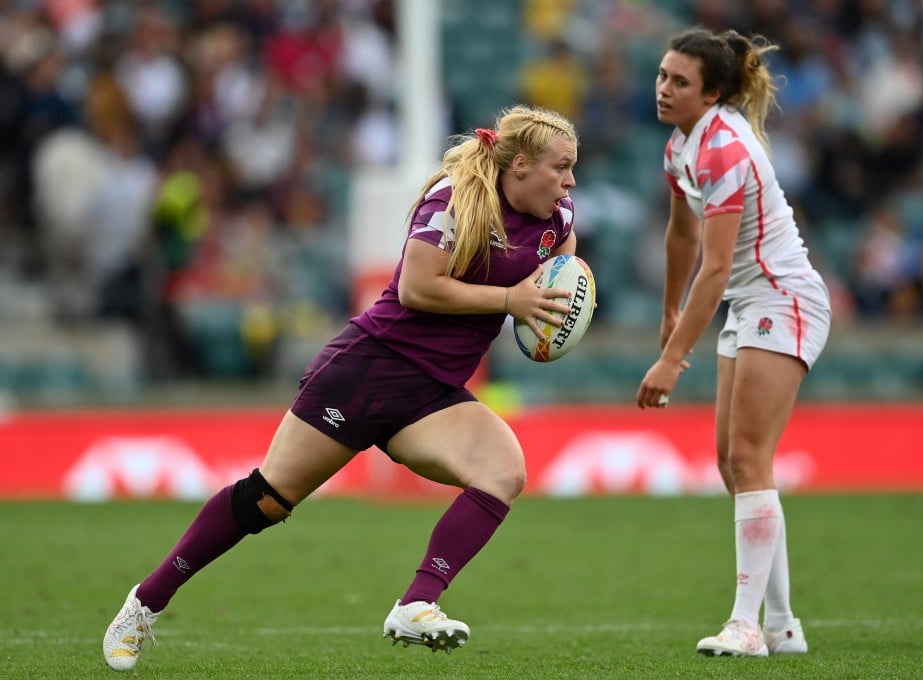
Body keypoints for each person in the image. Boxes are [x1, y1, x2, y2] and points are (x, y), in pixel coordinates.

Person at [102, 104, 580, 671]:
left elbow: (556, 287)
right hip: (370, 369)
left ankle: (417, 602)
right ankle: (143, 604)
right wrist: (509, 301)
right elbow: (416, 289)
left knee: (504, 471)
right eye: (562, 167)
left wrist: (547, 323)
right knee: (267, 500)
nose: (570, 181)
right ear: (520, 165)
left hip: (432, 393)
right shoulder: (454, 200)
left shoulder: (560, 219)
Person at [635, 27, 831, 657]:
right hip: (751, 306)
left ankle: (747, 626)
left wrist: (671, 359)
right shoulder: (681, 145)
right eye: (663, 76)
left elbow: (716, 269)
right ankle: (782, 625)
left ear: (712, 92)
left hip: (784, 298)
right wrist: (670, 310)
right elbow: (681, 238)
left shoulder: (724, 149)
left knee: (747, 458)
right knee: (733, 464)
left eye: (679, 82)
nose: (664, 89)